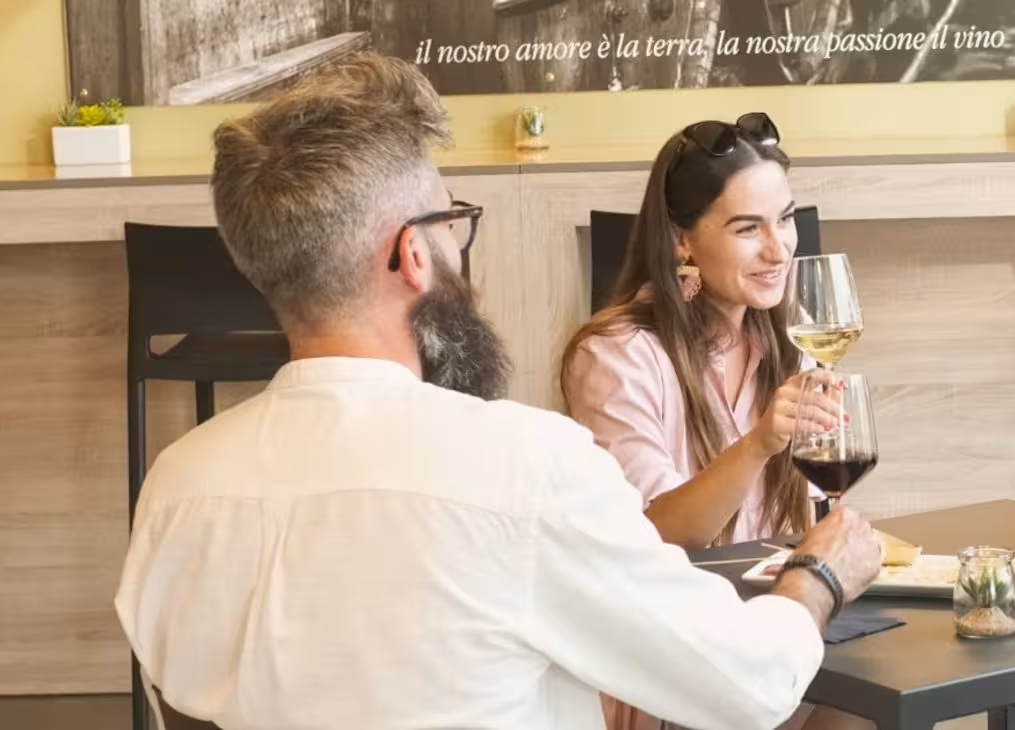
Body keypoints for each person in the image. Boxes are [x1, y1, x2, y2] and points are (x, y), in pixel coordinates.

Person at [114, 54, 883, 730]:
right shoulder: (525, 468)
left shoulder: (177, 488)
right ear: (413, 254)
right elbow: (746, 686)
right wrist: (817, 577)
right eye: (453, 221)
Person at [559, 116, 868, 730]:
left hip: (771, 635)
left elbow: (805, 520)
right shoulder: (616, 356)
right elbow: (654, 532)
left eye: (785, 219)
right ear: (682, 241)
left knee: (886, 703)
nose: (779, 250)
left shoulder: (790, 346)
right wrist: (758, 445)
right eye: (747, 228)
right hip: (676, 666)